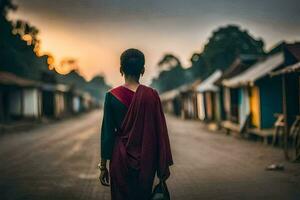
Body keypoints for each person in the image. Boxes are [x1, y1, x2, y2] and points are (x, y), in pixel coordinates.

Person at [99, 48, 173, 200]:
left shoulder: (111, 96)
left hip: (119, 159)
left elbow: (107, 134)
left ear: (121, 69)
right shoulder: (151, 95)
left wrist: (102, 166)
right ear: (143, 70)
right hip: (146, 159)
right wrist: (162, 165)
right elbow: (160, 132)